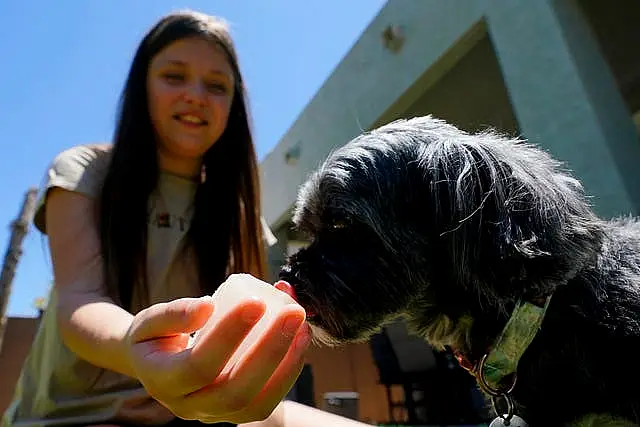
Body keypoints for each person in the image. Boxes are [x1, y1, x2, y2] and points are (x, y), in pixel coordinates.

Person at [2, 10, 370, 427]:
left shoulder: (243, 219)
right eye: (174, 76)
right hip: (70, 415)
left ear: (234, 105)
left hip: (193, 409)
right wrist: (138, 345)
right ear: (142, 86)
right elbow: (80, 301)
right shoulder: (85, 171)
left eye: (216, 85)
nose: (196, 94)